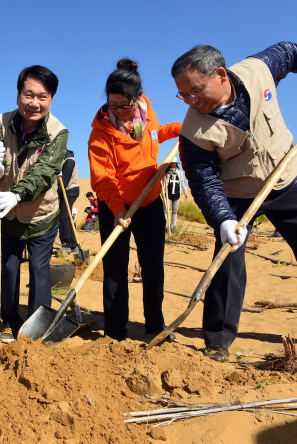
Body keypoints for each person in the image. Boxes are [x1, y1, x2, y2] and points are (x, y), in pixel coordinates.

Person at [171, 42, 297, 359]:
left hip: (286, 178)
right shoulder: (193, 131)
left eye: (196, 90)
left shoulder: (259, 70)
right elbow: (203, 180)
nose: (191, 100)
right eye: (183, 95)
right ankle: (218, 341)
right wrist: (223, 219)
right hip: (237, 196)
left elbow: (292, 51)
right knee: (227, 261)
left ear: (222, 75)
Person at [88, 58, 181, 341]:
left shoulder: (146, 112)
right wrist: (117, 209)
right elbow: (103, 179)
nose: (118, 111)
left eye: (124, 105)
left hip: (150, 203)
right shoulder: (100, 134)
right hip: (117, 207)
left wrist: (177, 128)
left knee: (153, 267)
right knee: (115, 270)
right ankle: (116, 332)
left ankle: (155, 325)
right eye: (112, 105)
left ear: (137, 99)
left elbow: (155, 134)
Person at [0, 65, 68, 343]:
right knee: (8, 268)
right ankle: (9, 319)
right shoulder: (1, 121)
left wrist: (17, 194)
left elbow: (44, 173)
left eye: (42, 97)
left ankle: (37, 324)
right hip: (8, 216)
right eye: (28, 95)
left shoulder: (58, 132)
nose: (34, 103)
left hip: (41, 215)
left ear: (51, 99)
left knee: (39, 269)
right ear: (18, 95)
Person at [58, 149, 79, 249]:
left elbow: (64, 181)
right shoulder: (64, 159)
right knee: (67, 216)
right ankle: (72, 243)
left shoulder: (69, 160)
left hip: (70, 190)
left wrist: (57, 193)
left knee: (64, 216)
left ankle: (67, 243)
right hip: (67, 190)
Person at [161, 157, 188, 231]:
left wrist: (185, 191)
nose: (173, 164)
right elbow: (163, 183)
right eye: (172, 163)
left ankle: (173, 226)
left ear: (176, 163)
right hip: (167, 194)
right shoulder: (165, 172)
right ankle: (165, 226)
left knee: (175, 211)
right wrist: (162, 193)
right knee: (165, 210)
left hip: (176, 193)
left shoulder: (179, 172)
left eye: (174, 163)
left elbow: (182, 182)